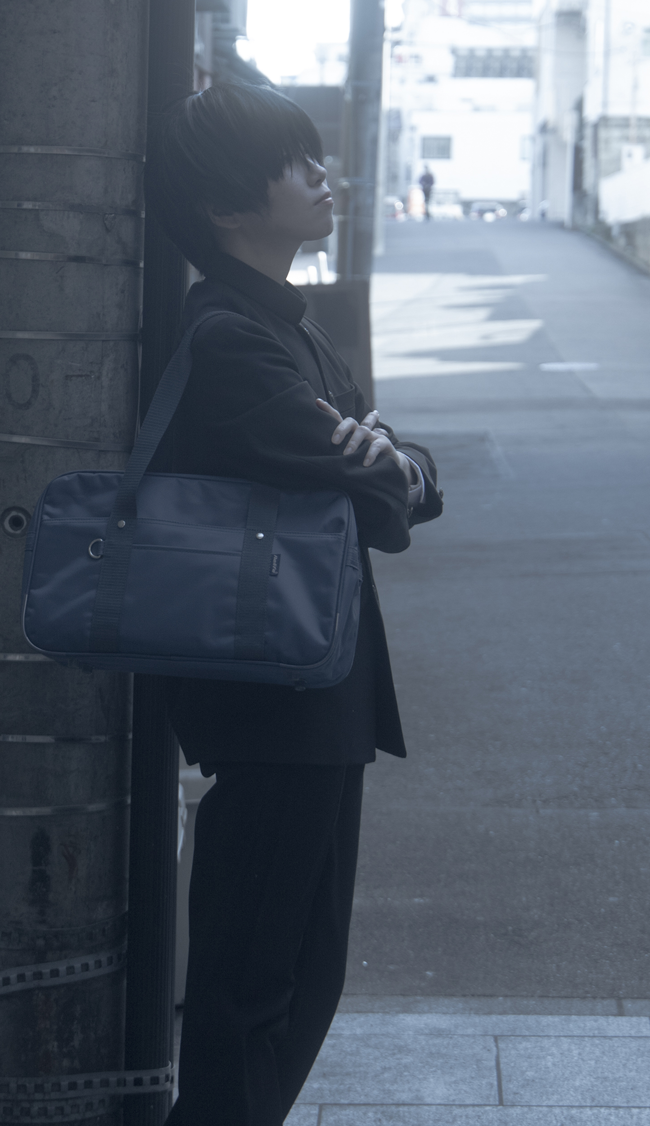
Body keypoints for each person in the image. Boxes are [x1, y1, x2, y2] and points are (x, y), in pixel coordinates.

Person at [147, 82, 445, 1125]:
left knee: (303, 972)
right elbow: (371, 474)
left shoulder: (288, 328)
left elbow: (400, 474)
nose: (323, 175)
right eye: (295, 162)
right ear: (230, 206)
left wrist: (391, 463)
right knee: (253, 981)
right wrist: (384, 463)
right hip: (274, 698)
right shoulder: (230, 337)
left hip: (314, 687)